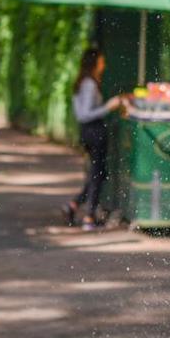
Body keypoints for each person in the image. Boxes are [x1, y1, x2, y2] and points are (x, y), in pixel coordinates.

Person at [62, 48, 121, 230]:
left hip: (88, 132)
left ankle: (74, 205)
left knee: (97, 173)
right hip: (94, 131)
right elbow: (85, 114)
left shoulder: (83, 82)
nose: (103, 66)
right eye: (102, 62)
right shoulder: (89, 84)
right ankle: (89, 216)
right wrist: (109, 107)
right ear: (94, 63)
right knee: (96, 175)